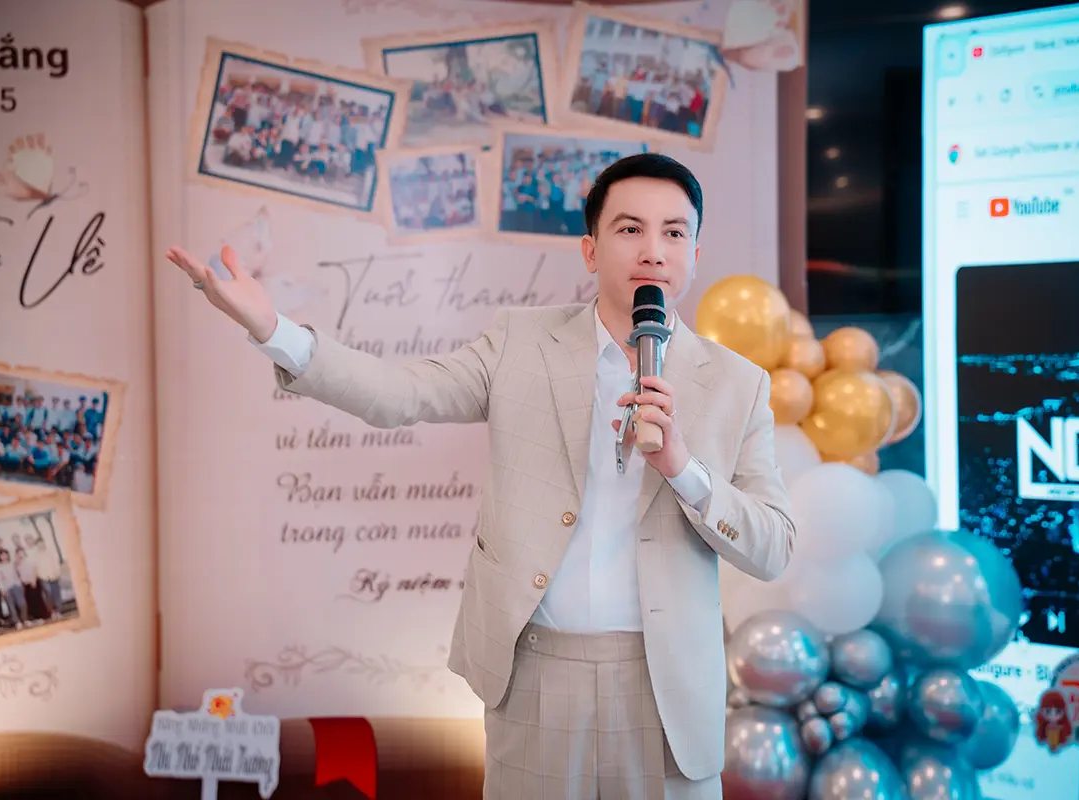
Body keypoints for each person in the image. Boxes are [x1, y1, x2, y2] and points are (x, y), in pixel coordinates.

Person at [166, 153, 796, 800]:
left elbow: (773, 546)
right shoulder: (520, 342)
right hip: (539, 674)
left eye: (673, 232)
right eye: (630, 228)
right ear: (590, 249)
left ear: (694, 252)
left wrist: (684, 470)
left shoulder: (738, 384)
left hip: (668, 689)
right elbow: (401, 393)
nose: (653, 250)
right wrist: (276, 332)